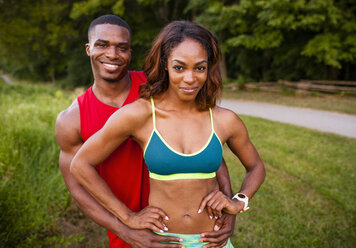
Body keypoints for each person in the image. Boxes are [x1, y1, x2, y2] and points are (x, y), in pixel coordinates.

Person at [70, 20, 265, 247]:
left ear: (209, 67)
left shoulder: (224, 119)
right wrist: (127, 217)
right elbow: (80, 165)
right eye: (179, 67)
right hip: (163, 241)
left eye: (199, 68)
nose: (190, 78)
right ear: (165, 64)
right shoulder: (140, 115)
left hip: (213, 242)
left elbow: (256, 167)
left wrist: (238, 202)